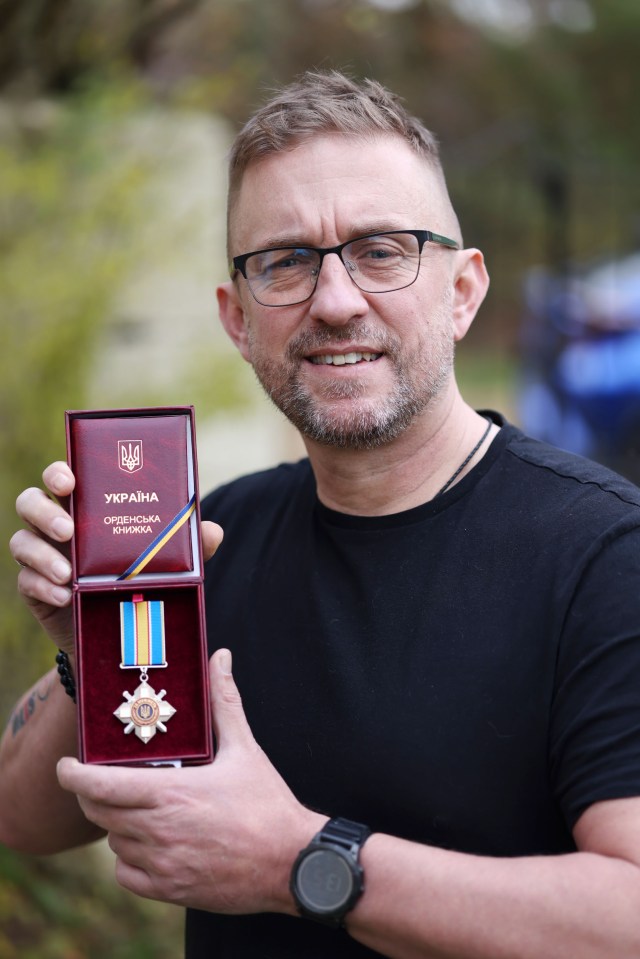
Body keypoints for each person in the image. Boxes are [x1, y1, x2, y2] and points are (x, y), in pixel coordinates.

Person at [2, 69, 640, 959]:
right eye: (287, 261)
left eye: (383, 249)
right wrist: (92, 644)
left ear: (462, 291)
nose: (335, 302)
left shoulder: (606, 555)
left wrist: (294, 860)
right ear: (237, 318)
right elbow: (25, 819)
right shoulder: (211, 539)